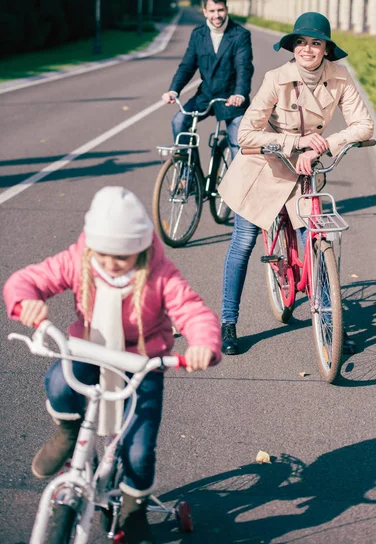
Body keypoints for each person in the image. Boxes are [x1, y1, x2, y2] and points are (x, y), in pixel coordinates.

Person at [3, 186, 222, 544]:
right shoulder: (80, 260)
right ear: (90, 245)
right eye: (101, 253)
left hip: (141, 362)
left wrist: (203, 344)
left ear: (139, 248)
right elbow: (27, 280)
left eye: (120, 257)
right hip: (89, 349)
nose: (108, 263)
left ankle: (134, 508)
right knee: (59, 384)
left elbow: (193, 312)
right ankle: (67, 432)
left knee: (139, 447)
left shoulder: (159, 274)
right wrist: (26, 301)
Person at [218, 12, 374, 355]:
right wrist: (296, 143)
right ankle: (228, 322)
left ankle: (330, 321)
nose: (307, 49)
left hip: (304, 171)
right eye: (301, 42)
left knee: (316, 240)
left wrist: (326, 144)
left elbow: (364, 125)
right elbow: (246, 134)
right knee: (243, 242)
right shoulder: (277, 78)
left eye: (315, 43)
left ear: (326, 50)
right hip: (264, 166)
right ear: (293, 47)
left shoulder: (340, 78)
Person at [162, 0, 254, 159]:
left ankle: (234, 184)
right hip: (205, 96)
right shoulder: (198, 34)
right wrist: (174, 90)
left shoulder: (240, 35)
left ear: (226, 9)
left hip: (231, 98)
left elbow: (244, 67)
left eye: (220, 10)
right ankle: (187, 173)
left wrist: (240, 93)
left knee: (238, 152)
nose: (216, 15)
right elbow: (187, 67)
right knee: (178, 121)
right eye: (212, 11)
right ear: (205, 11)